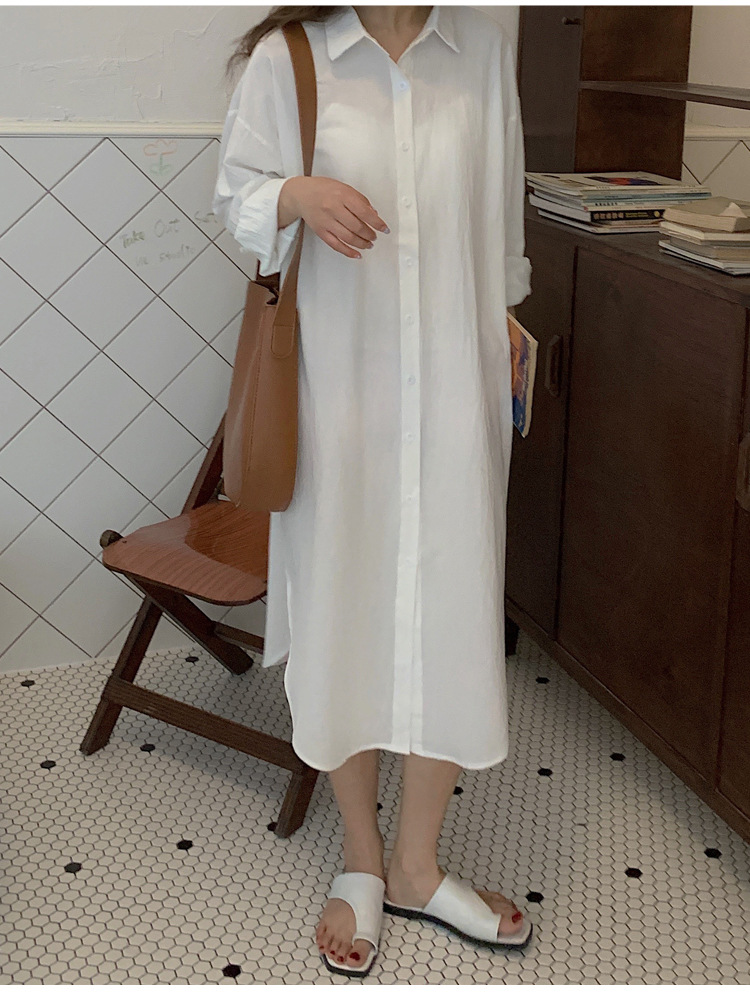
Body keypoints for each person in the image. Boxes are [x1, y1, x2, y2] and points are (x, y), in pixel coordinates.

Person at [213, 4, 533, 978]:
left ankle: (417, 866)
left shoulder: (482, 49)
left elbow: (500, 217)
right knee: (344, 604)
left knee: (453, 610)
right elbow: (236, 195)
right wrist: (296, 193)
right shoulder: (291, 57)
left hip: (457, 389)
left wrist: (505, 334)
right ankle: (360, 854)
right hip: (337, 391)